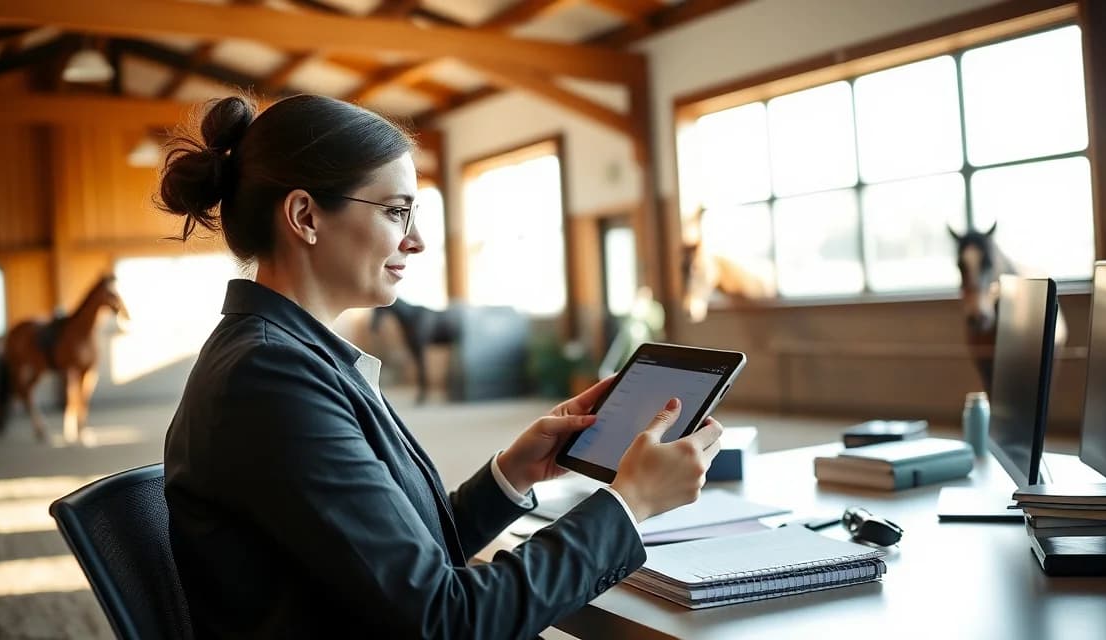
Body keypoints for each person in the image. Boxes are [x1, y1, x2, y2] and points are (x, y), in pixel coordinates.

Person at [159, 94, 724, 639]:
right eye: (396, 211)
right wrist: (631, 503)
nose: (419, 240)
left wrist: (512, 473)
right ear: (305, 216)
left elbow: (398, 560)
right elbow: (447, 620)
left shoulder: (285, 356)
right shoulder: (270, 379)